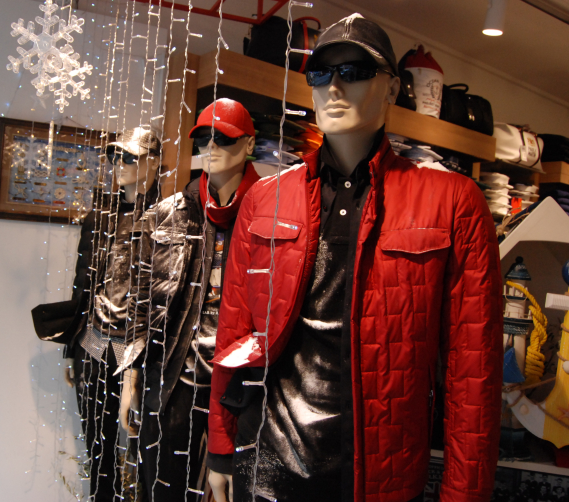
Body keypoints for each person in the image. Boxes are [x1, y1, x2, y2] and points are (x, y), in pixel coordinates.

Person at [206, 13, 503, 502]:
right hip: (268, 459)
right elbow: (235, 329)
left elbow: (473, 371)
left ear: (392, 88)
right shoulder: (265, 199)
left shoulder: (453, 202)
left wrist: (465, 492)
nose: (334, 87)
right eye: (321, 74)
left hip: (380, 473)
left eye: (354, 71)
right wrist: (221, 444)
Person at [117, 99, 259, 501]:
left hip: (242, 383)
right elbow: (140, 301)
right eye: (202, 138)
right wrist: (131, 378)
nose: (210, 146)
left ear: (249, 144)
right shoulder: (168, 213)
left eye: (223, 137)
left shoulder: (271, 211)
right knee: (163, 487)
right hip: (173, 377)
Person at [33, 126, 161, 501]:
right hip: (93, 337)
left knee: (143, 444)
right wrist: (69, 349)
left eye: (130, 157)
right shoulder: (100, 216)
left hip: (138, 345)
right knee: (96, 441)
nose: (119, 164)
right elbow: (82, 285)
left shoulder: (167, 217)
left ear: (154, 162)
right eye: (115, 156)